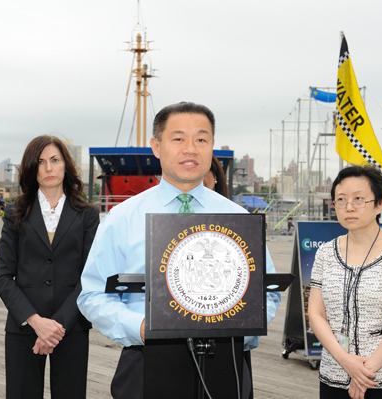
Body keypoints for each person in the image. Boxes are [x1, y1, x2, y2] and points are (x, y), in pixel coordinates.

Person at [77, 102, 281, 399]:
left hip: (227, 367)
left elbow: (269, 292)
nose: (191, 149)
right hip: (145, 363)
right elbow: (92, 295)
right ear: (156, 147)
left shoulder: (239, 219)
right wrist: (141, 327)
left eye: (201, 139)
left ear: (212, 146)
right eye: (178, 139)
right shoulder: (123, 218)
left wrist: (239, 330)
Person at [0, 135, 99, 398]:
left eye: (55, 160)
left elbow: (91, 276)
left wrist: (56, 326)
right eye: (41, 162)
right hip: (24, 325)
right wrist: (36, 322)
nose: (49, 168)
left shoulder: (87, 214)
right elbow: (3, 276)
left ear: (66, 165)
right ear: (32, 168)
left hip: (71, 325)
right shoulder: (16, 212)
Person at [307, 164, 382, 399]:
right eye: (341, 199)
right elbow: (316, 314)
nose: (349, 207)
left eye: (359, 199)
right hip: (333, 378)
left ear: (380, 204)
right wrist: (346, 362)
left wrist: (364, 373)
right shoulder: (325, 253)